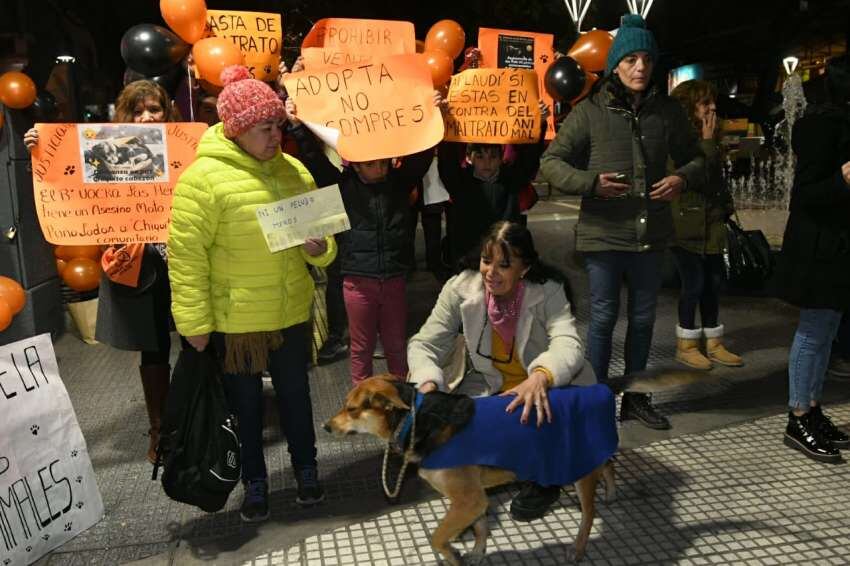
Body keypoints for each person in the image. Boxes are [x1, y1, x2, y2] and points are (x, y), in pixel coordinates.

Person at [168, 65, 337, 521]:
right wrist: (195, 327)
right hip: (236, 323)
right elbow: (187, 259)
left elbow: (323, 243)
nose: (276, 137)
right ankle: (255, 483)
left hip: (288, 313)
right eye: (266, 129)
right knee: (243, 409)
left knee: (296, 398)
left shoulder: (294, 170)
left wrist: (319, 249)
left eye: (279, 126)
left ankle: (306, 471)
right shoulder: (201, 180)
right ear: (238, 129)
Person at [539, 14, 705, 430]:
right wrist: (591, 183)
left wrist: (681, 178)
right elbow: (551, 162)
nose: (640, 68)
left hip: (651, 236)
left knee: (645, 319)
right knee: (602, 320)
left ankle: (634, 398)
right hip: (603, 236)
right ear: (615, 64)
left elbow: (699, 157)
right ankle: (595, 403)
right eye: (631, 59)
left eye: (646, 59)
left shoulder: (666, 112)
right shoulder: (591, 111)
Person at [25, 80, 182, 464]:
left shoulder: (184, 147)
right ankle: (160, 431)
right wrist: (40, 144)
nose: (147, 116)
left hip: (184, 259)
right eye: (139, 110)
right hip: (139, 263)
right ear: (125, 115)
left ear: (166, 112)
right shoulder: (101, 148)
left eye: (155, 109)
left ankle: (205, 418)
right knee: (154, 345)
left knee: (200, 340)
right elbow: (67, 173)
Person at [408, 221, 594, 522]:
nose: (490, 272)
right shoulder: (460, 288)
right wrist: (427, 383)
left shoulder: (548, 290)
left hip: (546, 386)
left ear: (525, 267)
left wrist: (542, 375)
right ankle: (481, 487)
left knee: (538, 410)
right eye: (486, 260)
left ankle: (545, 480)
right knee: (454, 426)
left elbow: (568, 342)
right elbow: (425, 344)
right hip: (490, 385)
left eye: (504, 265)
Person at [284, 97, 435, 385]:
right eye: (370, 163)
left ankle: (401, 395)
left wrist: (431, 114)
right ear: (354, 165)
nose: (379, 168)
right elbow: (314, 160)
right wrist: (296, 127)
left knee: (395, 346)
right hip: (357, 281)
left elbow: (421, 159)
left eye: (382, 162)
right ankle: (360, 399)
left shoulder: (399, 183)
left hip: (393, 279)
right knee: (361, 348)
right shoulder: (342, 187)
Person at [777, 55, 850, 463]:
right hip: (818, 249)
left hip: (838, 247)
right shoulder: (821, 127)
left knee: (828, 331)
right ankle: (798, 415)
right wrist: (840, 180)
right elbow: (805, 195)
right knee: (813, 330)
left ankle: (813, 407)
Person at [669, 80, 743, 370]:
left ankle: (713, 341)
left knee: (713, 283)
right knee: (693, 284)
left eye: (713, 101)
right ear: (689, 107)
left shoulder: (710, 134)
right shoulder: (676, 137)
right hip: (684, 223)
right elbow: (695, 175)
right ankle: (686, 344)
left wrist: (726, 207)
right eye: (704, 103)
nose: (712, 107)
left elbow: (715, 180)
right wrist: (709, 142)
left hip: (711, 222)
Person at [437, 95, 549, 270]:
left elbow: (530, 156)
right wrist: (445, 122)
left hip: (504, 259)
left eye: (493, 157)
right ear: (469, 158)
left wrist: (539, 123)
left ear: (501, 157)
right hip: (469, 259)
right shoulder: (459, 182)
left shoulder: (511, 179)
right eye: (480, 157)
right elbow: (447, 160)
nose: (487, 163)